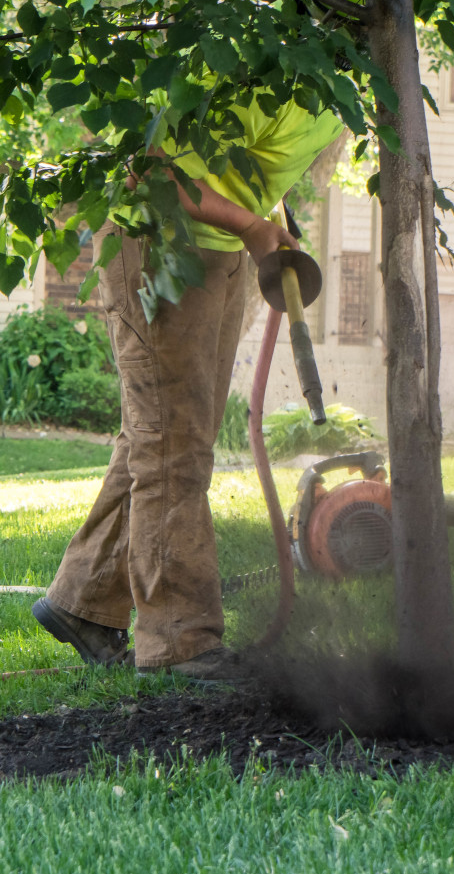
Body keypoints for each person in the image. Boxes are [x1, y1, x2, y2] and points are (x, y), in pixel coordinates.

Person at [32, 95, 345, 679]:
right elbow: (148, 172)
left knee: (165, 434)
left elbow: (244, 163)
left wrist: (265, 225)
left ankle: (83, 603)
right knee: (173, 442)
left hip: (219, 255)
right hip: (159, 244)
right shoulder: (251, 64)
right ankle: (179, 642)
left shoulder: (334, 79)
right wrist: (252, 225)